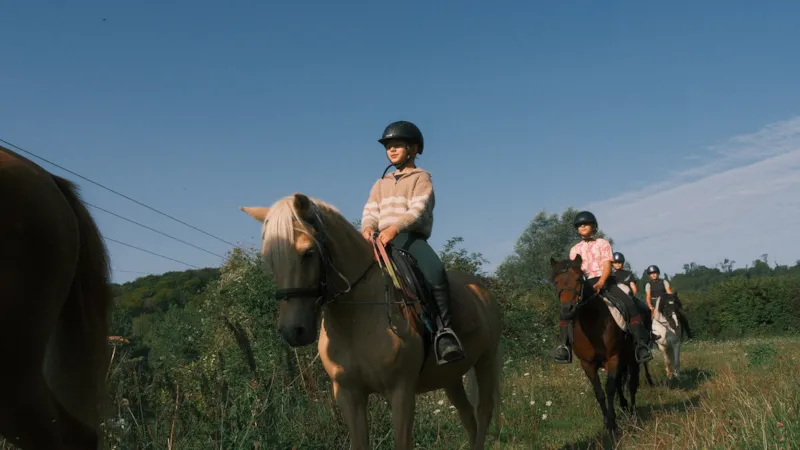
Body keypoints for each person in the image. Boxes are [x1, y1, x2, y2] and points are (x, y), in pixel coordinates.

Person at [360, 120, 465, 365]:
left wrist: (395, 228)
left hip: (409, 238)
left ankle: (444, 332)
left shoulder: (422, 179)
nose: (392, 150)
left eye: (398, 145)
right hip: (380, 240)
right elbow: (370, 210)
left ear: (414, 149)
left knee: (435, 271)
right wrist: (367, 227)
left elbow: (418, 210)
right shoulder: (380, 183)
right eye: (389, 147)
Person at [553, 211, 654, 365]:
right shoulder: (575, 249)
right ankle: (564, 347)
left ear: (593, 226)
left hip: (606, 282)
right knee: (566, 310)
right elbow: (574, 272)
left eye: (585, 224)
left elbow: (607, 266)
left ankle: (640, 345)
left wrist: (601, 282)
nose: (582, 227)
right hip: (585, 285)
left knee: (629, 304)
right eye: (579, 225)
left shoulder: (603, 244)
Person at [645, 265, 694, 338]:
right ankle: (650, 336)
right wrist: (650, 306)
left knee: (681, 314)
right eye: (651, 273)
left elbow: (669, 292)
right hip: (655, 303)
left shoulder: (664, 282)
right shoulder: (648, 285)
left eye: (655, 273)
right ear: (649, 275)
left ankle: (689, 333)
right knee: (647, 319)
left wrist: (672, 301)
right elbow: (648, 296)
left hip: (665, 302)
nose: (654, 274)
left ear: (658, 273)